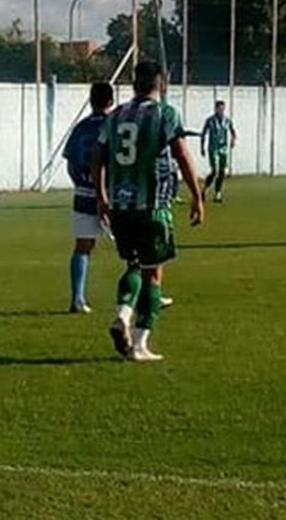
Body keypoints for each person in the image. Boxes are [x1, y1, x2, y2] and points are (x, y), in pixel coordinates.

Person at [94, 62, 204, 362]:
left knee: (133, 264)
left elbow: (98, 156)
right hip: (153, 206)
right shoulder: (165, 114)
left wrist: (101, 196)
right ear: (162, 83)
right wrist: (197, 195)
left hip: (120, 206)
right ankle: (140, 345)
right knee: (154, 272)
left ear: (133, 84)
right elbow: (181, 153)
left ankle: (122, 314)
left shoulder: (115, 116)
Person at [61, 82, 114, 314]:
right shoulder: (114, 125)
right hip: (113, 195)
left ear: (91, 101)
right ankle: (138, 297)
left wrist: (81, 183)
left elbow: (70, 162)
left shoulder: (80, 127)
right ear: (111, 101)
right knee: (132, 247)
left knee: (82, 246)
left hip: (83, 193)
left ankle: (77, 298)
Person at [200, 101, 237, 203]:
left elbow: (233, 132)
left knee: (222, 171)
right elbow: (203, 134)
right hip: (213, 148)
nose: (221, 111)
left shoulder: (227, 120)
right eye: (219, 109)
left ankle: (218, 193)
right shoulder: (210, 120)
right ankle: (204, 189)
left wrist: (233, 140)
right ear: (215, 109)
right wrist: (202, 148)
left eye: (222, 109)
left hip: (223, 149)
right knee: (214, 171)